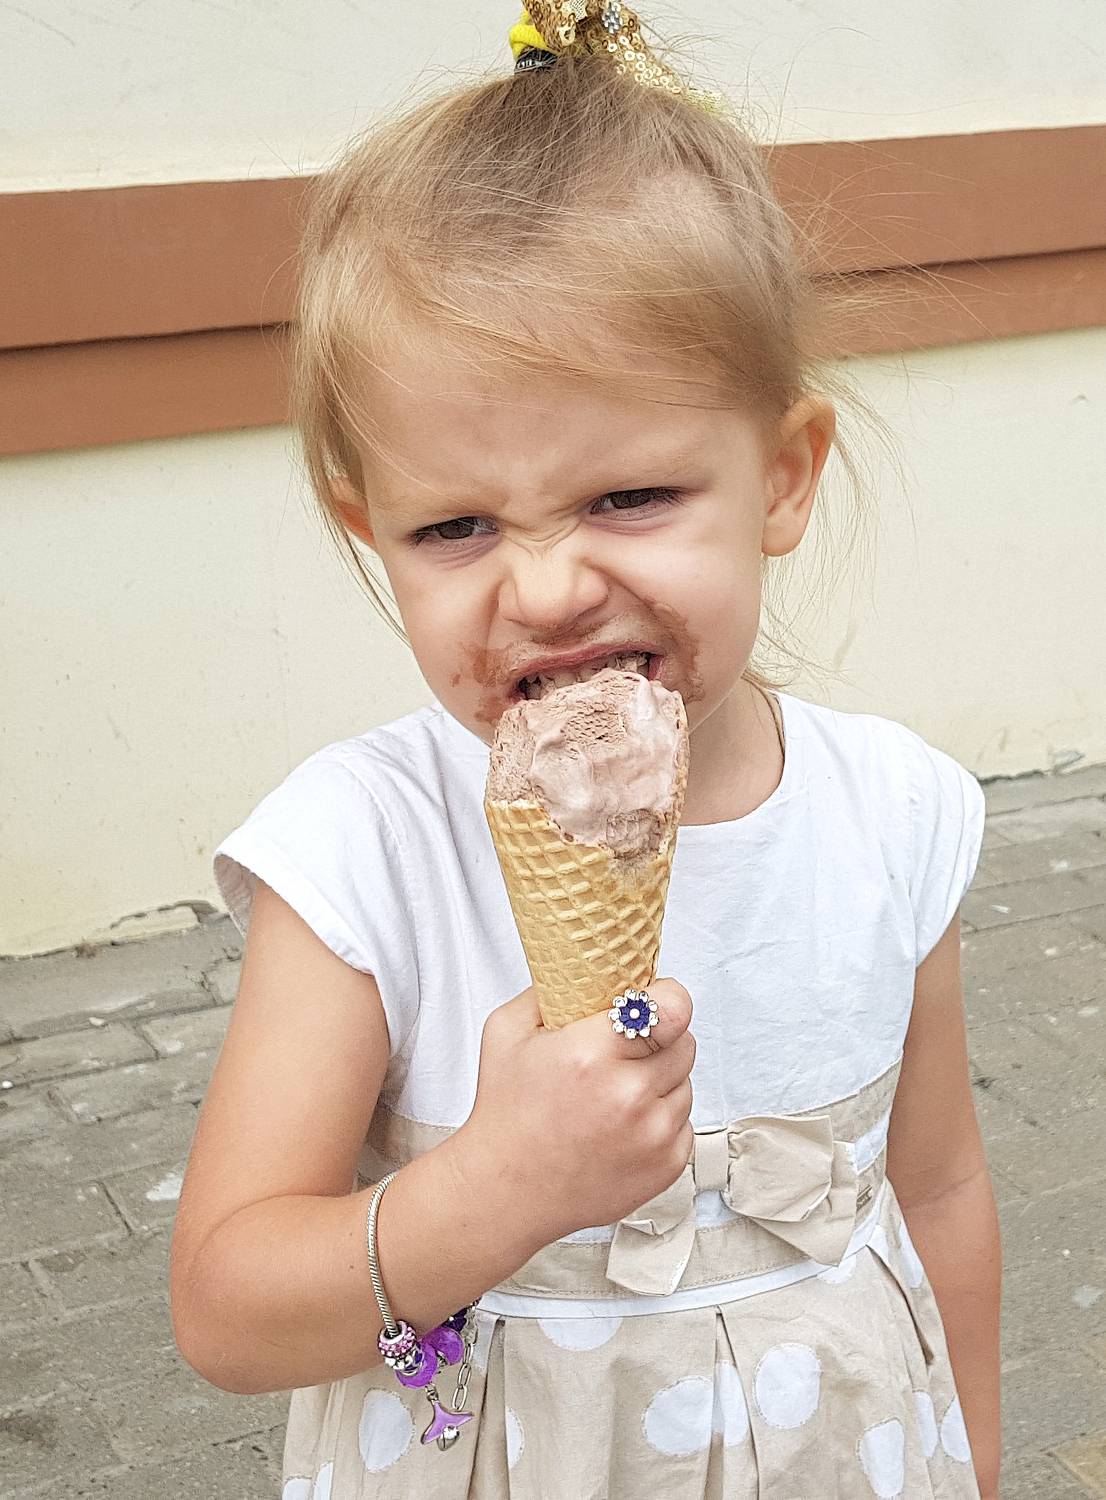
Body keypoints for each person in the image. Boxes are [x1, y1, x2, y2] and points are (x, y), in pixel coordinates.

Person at [169, 5, 1001, 1497]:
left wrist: (977, 1458)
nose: (546, 588)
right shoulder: (366, 848)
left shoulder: (893, 813)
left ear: (782, 477)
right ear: (371, 531)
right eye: (454, 526)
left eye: (628, 497)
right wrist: (491, 1192)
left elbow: (937, 1187)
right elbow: (226, 1309)